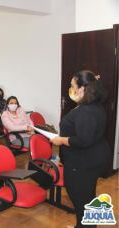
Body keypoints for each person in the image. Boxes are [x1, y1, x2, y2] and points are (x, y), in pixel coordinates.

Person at [51, 70, 110, 228]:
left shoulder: (87, 111)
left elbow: (83, 140)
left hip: (82, 163)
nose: (70, 89)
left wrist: (61, 140)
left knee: (81, 203)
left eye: (72, 85)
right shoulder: (92, 105)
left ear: (83, 88)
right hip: (92, 159)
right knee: (88, 199)